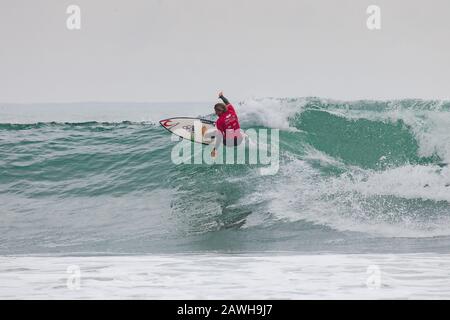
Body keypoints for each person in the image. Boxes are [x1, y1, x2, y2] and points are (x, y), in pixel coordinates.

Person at [210, 92, 243, 157]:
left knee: (217, 132)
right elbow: (227, 102)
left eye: (216, 111)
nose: (215, 112)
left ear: (219, 111)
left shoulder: (219, 121)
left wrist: (214, 149)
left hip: (229, 143)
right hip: (239, 140)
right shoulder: (231, 110)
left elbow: (219, 137)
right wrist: (221, 96)